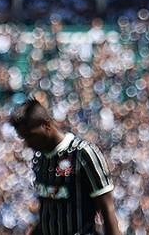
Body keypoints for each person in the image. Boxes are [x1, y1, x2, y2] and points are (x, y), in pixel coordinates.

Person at [9, 98, 122, 235]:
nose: (27, 143)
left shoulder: (82, 154)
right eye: (23, 138)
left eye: (30, 136)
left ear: (47, 125)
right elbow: (49, 212)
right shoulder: (40, 159)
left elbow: (107, 209)